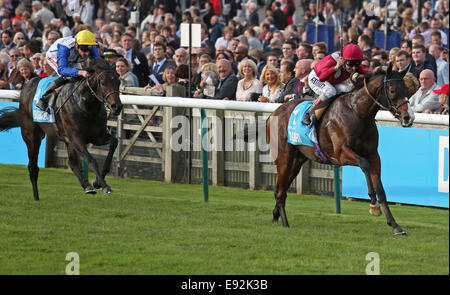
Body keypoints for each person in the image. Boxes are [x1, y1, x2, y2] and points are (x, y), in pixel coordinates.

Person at [302, 43, 371, 126]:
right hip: (316, 77)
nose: (354, 68)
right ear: (344, 60)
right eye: (350, 64)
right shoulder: (332, 60)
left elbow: (367, 72)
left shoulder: (352, 62)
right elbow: (322, 78)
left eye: (357, 64)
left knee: (348, 90)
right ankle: (308, 113)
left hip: (333, 81)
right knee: (330, 91)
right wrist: (336, 67)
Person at [35, 30, 100, 112]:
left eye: (89, 49)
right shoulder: (64, 47)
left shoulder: (90, 44)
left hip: (73, 58)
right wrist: (81, 72)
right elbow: (62, 70)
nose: (87, 53)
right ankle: (44, 97)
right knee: (68, 76)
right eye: (84, 49)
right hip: (55, 56)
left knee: (81, 76)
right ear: (76, 45)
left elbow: (98, 62)